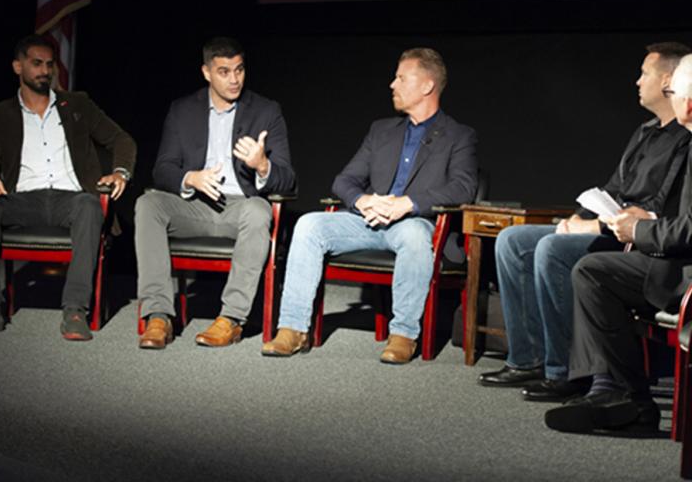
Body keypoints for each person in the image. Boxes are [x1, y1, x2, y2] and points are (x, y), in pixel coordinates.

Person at [480, 42, 691, 401]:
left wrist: (594, 227)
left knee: (552, 248)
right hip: (611, 224)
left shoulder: (684, 139)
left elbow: (657, 208)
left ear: (669, 81)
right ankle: (527, 358)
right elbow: (614, 187)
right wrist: (577, 217)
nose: (637, 81)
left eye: (645, 73)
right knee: (513, 240)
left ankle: (563, 370)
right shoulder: (644, 132)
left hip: (633, 238)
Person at [262, 48, 477, 364]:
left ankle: (404, 334)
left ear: (427, 86)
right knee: (309, 224)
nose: (392, 84)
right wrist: (364, 200)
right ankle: (293, 329)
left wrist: (408, 204)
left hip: (413, 223)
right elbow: (344, 180)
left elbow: (463, 187)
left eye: (401, 77)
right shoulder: (381, 131)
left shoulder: (459, 136)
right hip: (368, 221)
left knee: (415, 235)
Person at [545, 53, 692, 434]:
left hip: (685, 273)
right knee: (594, 271)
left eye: (675, 91)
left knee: (594, 271)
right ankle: (617, 394)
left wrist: (639, 232)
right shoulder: (651, 133)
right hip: (671, 259)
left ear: (687, 103)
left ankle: (623, 397)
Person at [135, 37, 296, 350]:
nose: (234, 79)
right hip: (195, 206)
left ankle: (231, 318)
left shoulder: (266, 111)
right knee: (148, 204)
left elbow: (289, 180)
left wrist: (263, 166)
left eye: (239, 70)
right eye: (224, 72)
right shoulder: (182, 110)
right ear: (207, 73)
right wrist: (190, 177)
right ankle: (157, 315)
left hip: (241, 207)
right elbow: (162, 169)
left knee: (258, 211)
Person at [0, 34, 136, 341]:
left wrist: (120, 172)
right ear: (17, 66)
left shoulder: (77, 105)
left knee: (89, 205)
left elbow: (122, 140)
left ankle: (75, 309)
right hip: (21, 199)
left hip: (69, 199)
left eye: (49, 64)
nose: (44, 70)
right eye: (36, 63)